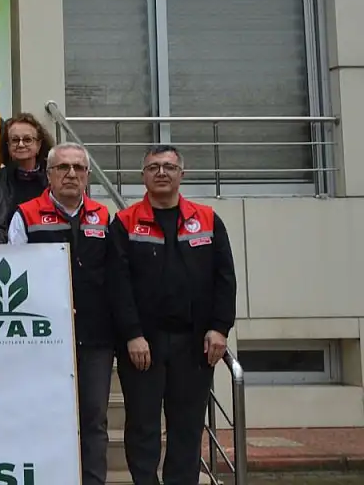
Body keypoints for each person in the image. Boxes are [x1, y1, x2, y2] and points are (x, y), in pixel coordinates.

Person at [109, 145, 237, 485]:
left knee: (187, 426)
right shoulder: (125, 222)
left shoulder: (207, 219)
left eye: (169, 166)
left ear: (182, 173)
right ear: (143, 176)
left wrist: (220, 328)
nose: (161, 172)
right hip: (143, 346)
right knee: (143, 426)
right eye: (153, 167)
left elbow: (225, 278)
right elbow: (118, 285)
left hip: (194, 344)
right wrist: (132, 334)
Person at [7, 144, 113, 485]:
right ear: (48, 174)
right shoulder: (25, 215)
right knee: (47, 417)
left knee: (94, 419)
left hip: (95, 337)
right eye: (62, 167)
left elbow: (117, 277)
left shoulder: (104, 217)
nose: (71, 174)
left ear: (88, 176)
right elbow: (13, 273)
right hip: (43, 339)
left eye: (78, 168)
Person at [0, 113, 53, 208]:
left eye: (27, 140)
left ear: (39, 145)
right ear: (8, 145)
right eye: (15, 140)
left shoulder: (52, 179)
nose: (21, 144)